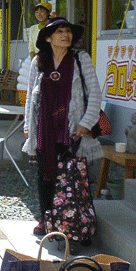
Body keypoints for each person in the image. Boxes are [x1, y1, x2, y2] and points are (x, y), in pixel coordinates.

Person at [23, 17, 102, 238]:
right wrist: (28, 126)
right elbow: (31, 96)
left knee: (75, 177)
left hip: (74, 130)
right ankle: (46, 220)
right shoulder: (39, 60)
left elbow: (94, 93)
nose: (65, 35)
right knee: (45, 176)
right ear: (48, 38)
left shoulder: (80, 58)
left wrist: (86, 123)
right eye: (59, 32)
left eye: (68, 31)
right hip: (44, 129)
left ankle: (77, 220)